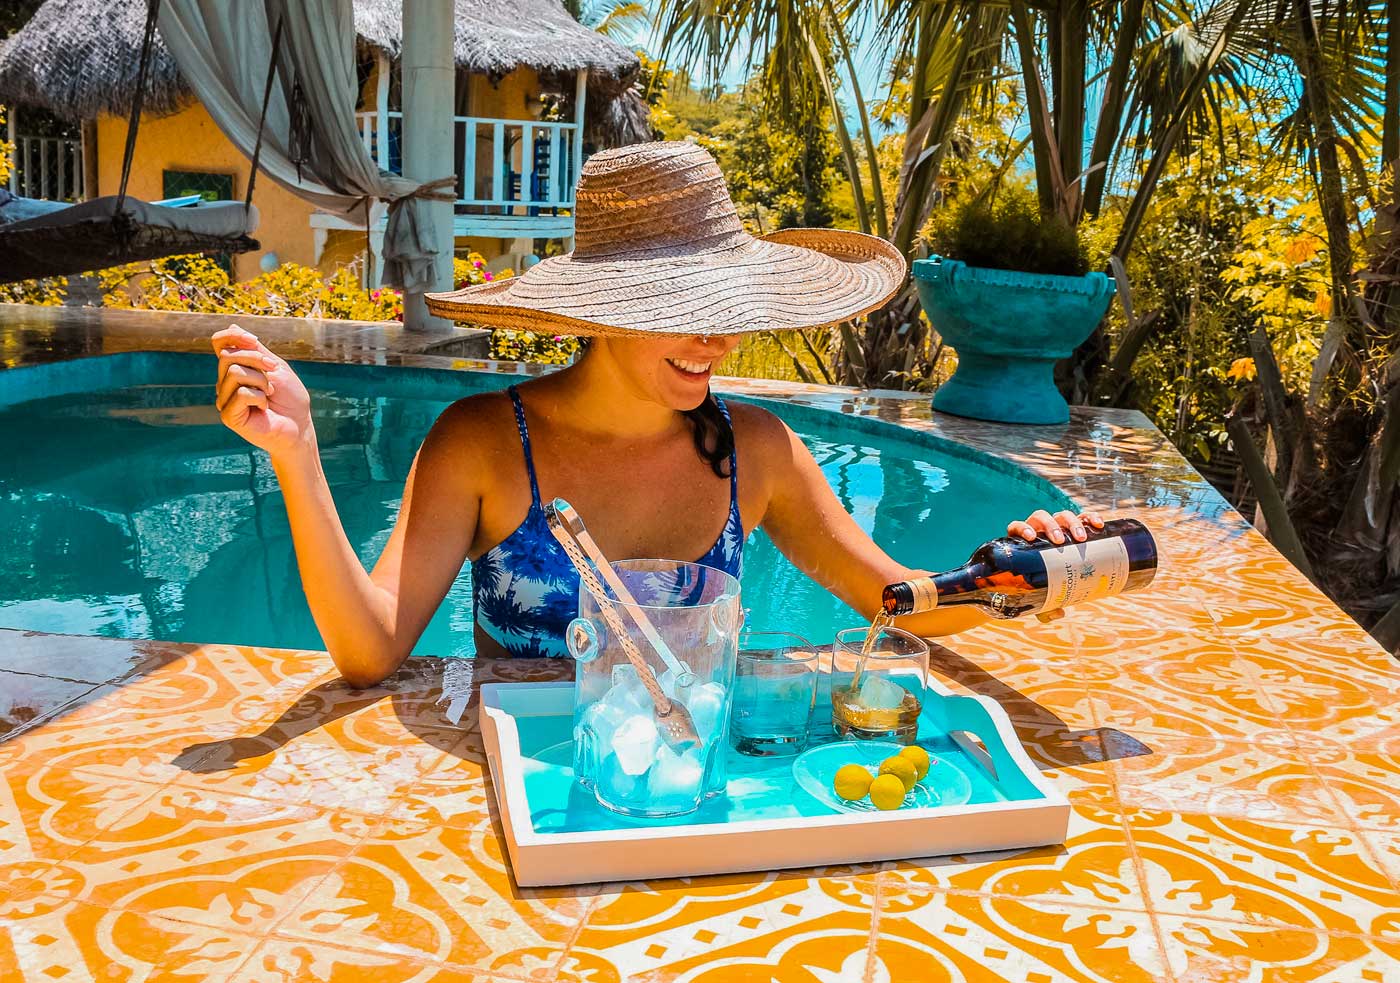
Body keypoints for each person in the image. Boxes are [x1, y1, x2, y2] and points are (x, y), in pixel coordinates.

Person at [211, 142, 1100, 688]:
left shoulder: (756, 451)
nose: (715, 341)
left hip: (687, 789)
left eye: (727, 306)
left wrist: (1017, 579)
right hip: (525, 807)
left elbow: (894, 598)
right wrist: (296, 457)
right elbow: (371, 651)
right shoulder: (482, 443)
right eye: (682, 307)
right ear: (600, 306)